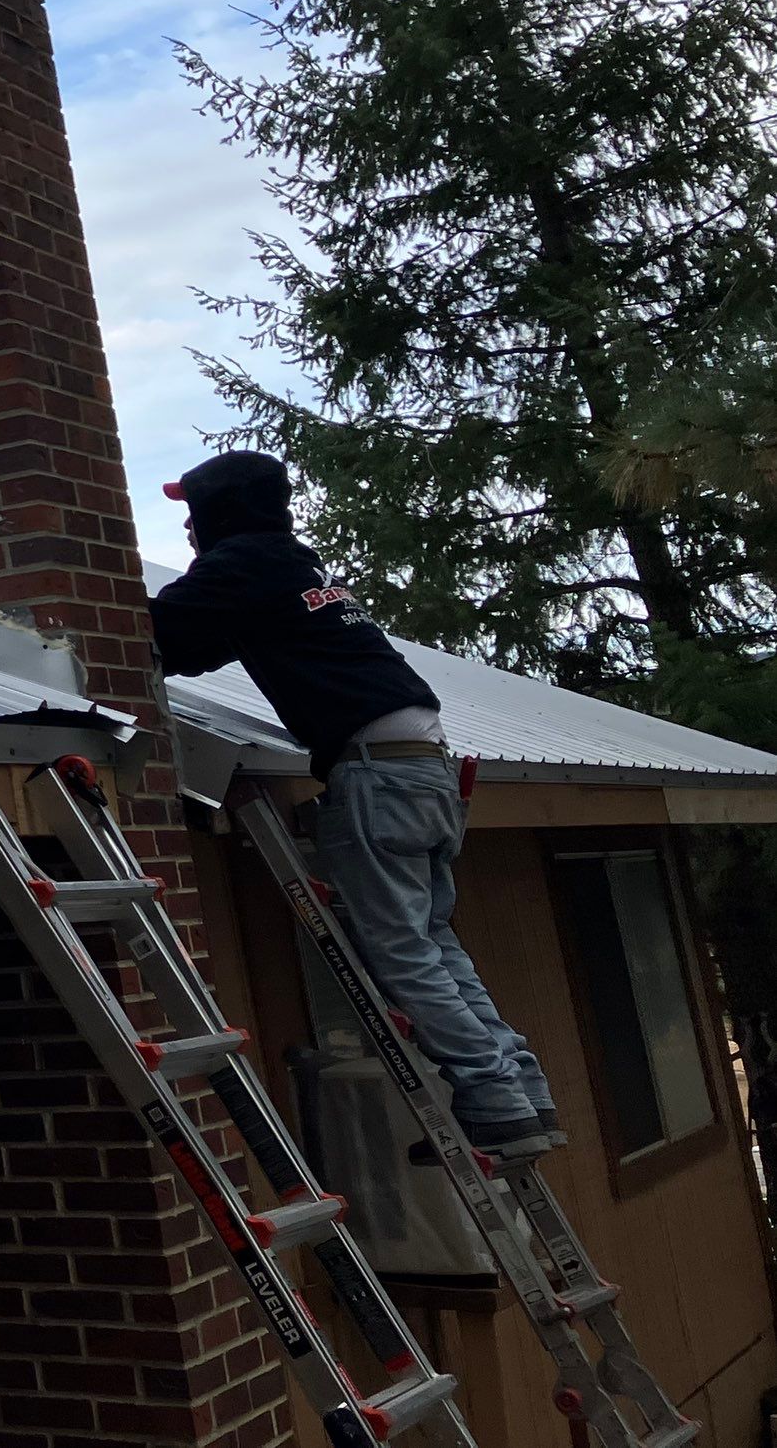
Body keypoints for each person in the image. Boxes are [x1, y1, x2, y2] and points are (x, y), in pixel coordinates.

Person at [151, 449, 558, 1158]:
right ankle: (521, 1093)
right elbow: (193, 645)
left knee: (403, 949)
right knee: (430, 942)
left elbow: (156, 628)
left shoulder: (244, 563)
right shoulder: (291, 566)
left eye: (193, 510)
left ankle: (494, 1101)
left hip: (379, 775)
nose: (187, 527)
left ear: (221, 510)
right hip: (423, 766)